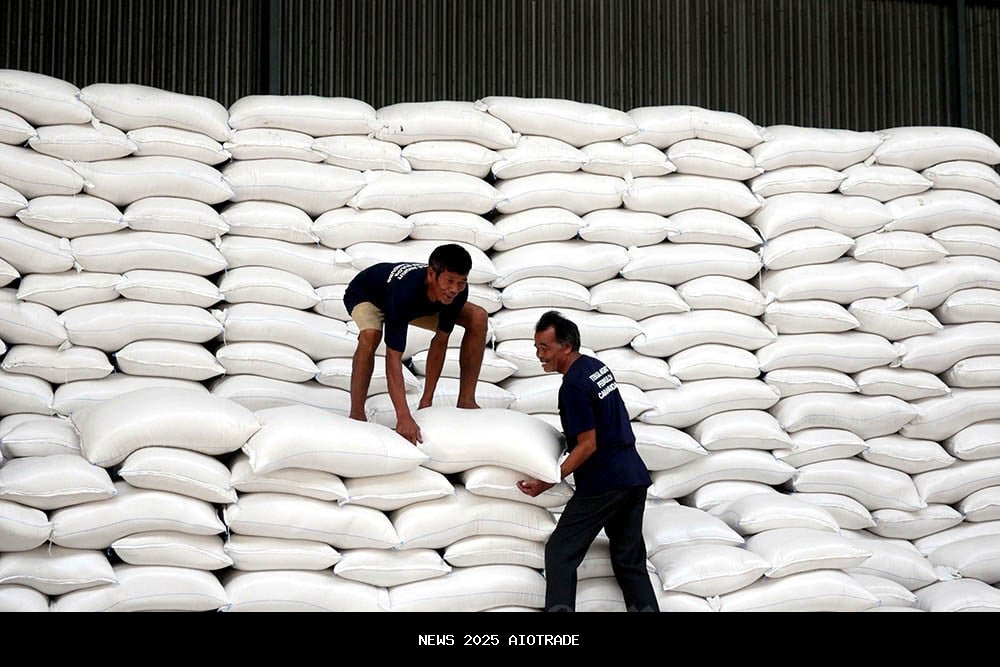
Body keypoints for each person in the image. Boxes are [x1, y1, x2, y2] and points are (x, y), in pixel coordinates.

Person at [518, 310, 659, 612]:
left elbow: (587, 445)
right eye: (537, 347)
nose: (539, 355)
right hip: (633, 476)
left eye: (544, 348)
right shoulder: (596, 367)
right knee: (629, 559)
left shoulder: (573, 386)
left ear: (566, 347)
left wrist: (549, 479)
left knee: (560, 552)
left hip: (604, 482)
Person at [343, 243, 487, 444]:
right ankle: (357, 414)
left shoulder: (457, 292)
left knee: (478, 317)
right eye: (449, 281)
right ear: (431, 275)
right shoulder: (404, 294)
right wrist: (403, 417)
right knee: (371, 336)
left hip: (419, 303)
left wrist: (426, 402)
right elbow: (393, 358)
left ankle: (466, 401)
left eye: (461, 283)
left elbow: (440, 342)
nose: (454, 289)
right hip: (367, 294)